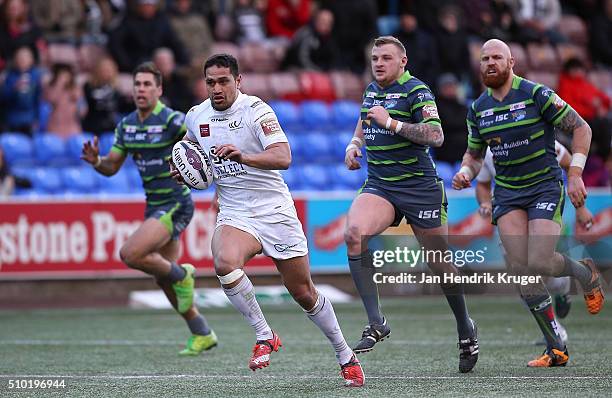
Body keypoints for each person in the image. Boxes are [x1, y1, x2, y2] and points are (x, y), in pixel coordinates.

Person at [170, 53, 365, 387]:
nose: (217, 88)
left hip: (274, 210)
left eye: (223, 81)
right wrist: (184, 169)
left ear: (238, 81)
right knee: (224, 262)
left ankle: (345, 354)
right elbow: (190, 149)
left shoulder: (256, 111)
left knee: (303, 292)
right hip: (235, 211)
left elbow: (283, 156)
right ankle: (264, 334)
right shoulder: (196, 116)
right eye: (211, 82)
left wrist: (243, 155)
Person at [452, 39, 604, 367]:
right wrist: (467, 171)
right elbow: (475, 154)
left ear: (511, 63)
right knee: (521, 270)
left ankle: (584, 272)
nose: (490, 63)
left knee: (538, 260)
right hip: (507, 194)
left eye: (497, 57)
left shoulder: (537, 95)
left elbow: (582, 128)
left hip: (544, 188)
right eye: (485, 59)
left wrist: (575, 174)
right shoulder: (478, 109)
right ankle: (556, 347)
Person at [343, 36, 478, 373]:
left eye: (386, 58)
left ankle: (465, 326)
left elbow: (436, 136)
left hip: (420, 188)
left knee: (440, 265)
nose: (378, 63)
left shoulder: (417, 91)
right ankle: (377, 322)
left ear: (403, 62)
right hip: (381, 185)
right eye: (375, 57)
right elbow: (366, 116)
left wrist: (392, 123)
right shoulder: (372, 89)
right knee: (354, 233)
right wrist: (355, 141)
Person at [80, 62, 217, 356]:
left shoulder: (171, 120)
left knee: (130, 253)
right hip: (154, 204)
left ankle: (183, 275)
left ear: (159, 89)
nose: (141, 89)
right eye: (137, 84)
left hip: (176, 202)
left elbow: (204, 142)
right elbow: (112, 167)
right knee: (162, 277)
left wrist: (209, 176)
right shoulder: (127, 125)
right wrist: (96, 162)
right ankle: (201, 332)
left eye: (147, 85)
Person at [475, 140, 595, 346]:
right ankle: (556, 330)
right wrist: (485, 203)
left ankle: (565, 282)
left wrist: (581, 208)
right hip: (509, 211)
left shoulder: (540, 138)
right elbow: (483, 185)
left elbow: (570, 165)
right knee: (522, 279)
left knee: (540, 265)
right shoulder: (489, 147)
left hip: (540, 204)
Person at [0, 46, 42, 135]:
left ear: (31, 60)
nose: (22, 60)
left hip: (29, 120)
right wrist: (14, 89)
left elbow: (38, 100)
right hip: (11, 120)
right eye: (19, 57)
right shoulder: (9, 76)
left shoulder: (37, 76)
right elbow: (3, 99)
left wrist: (37, 119)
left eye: (25, 57)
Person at [44, 63, 84, 138]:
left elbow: (82, 109)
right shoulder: (50, 88)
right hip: (55, 124)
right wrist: (59, 85)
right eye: (61, 75)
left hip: (72, 125)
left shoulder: (76, 88)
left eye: (66, 75)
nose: (64, 77)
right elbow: (51, 99)